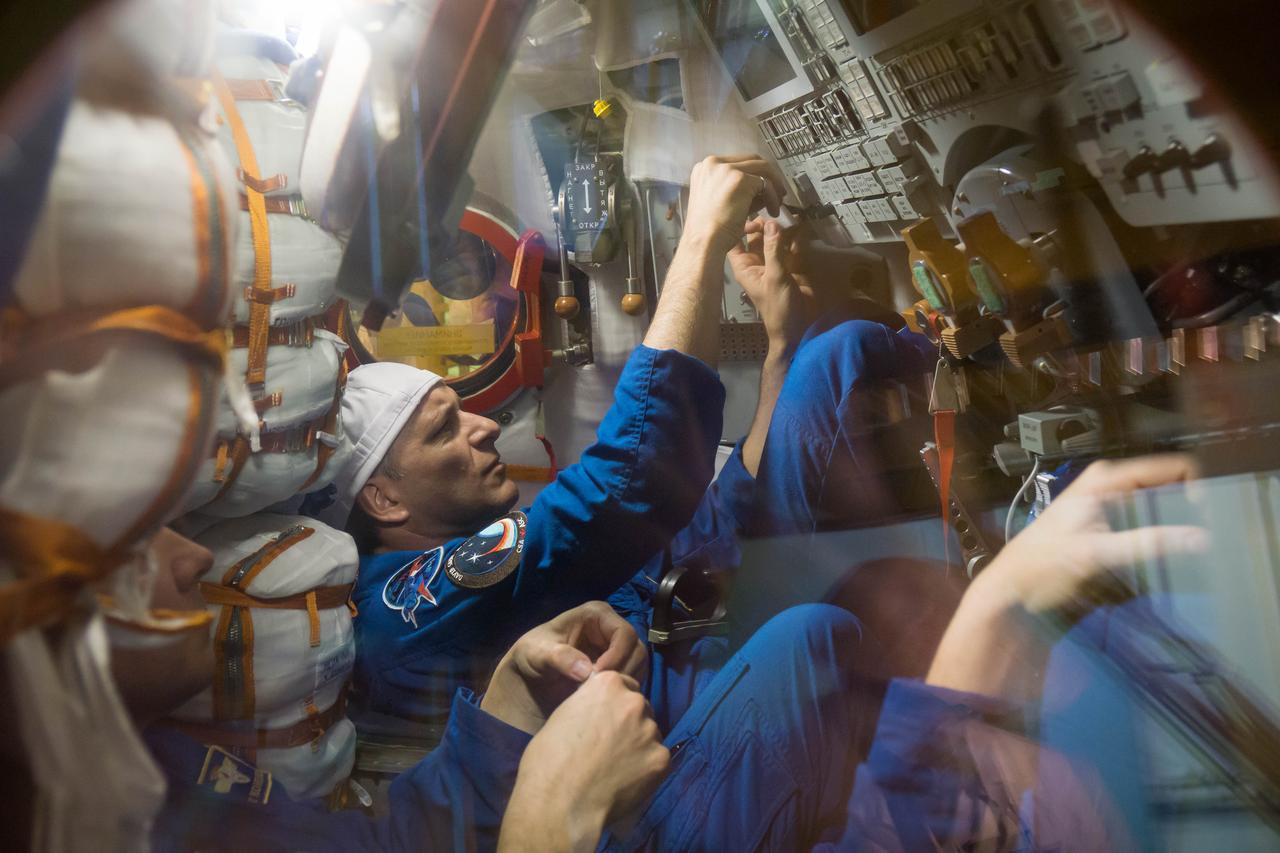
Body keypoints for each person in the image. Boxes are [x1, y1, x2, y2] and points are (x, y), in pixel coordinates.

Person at [320, 154, 936, 732]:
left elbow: (699, 532)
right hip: (669, 738)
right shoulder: (411, 604)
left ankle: (944, 343)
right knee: (838, 618)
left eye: (464, 412)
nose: (482, 427)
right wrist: (699, 240)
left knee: (828, 350)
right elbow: (631, 482)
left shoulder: (503, 571)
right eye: (444, 430)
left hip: (695, 639)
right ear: (383, 499)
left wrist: (778, 347)